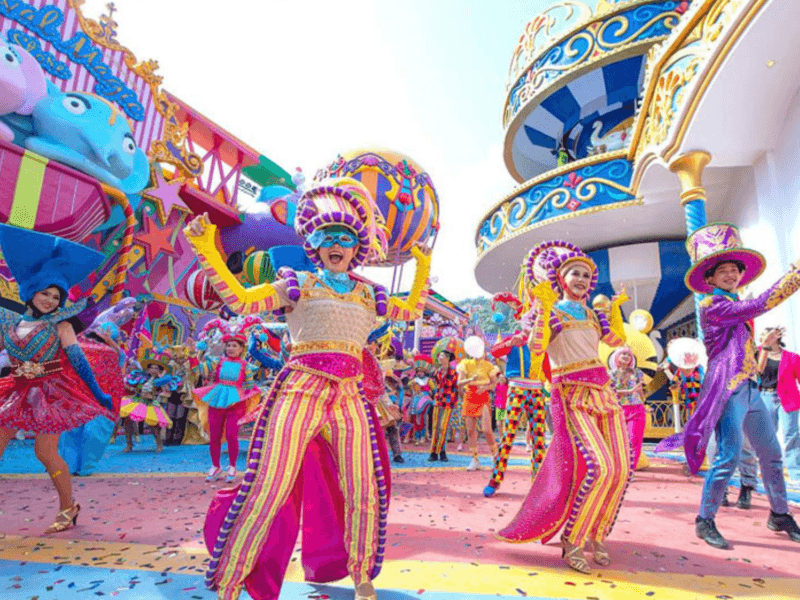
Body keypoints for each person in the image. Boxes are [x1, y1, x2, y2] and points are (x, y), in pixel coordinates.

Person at [184, 177, 430, 600]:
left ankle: (362, 575)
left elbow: (411, 310)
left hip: (350, 396)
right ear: (314, 245)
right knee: (268, 485)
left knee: (362, 488)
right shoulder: (297, 283)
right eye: (327, 236)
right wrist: (207, 250)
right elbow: (241, 301)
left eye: (347, 238)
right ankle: (229, 579)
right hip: (300, 389)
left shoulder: (370, 295)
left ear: (357, 249)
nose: (337, 243)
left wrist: (423, 266)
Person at [656, 223, 800, 548]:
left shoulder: (733, 304)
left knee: (771, 453)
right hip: (728, 390)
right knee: (729, 456)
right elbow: (758, 304)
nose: (732, 274)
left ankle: (778, 512)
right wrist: (794, 276)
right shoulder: (713, 306)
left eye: (735, 269)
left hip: (750, 388)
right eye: (724, 271)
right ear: (710, 279)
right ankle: (704, 520)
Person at [497, 240, 631, 575]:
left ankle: (597, 534)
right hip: (571, 395)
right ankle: (572, 538)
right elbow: (538, 346)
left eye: (587, 274)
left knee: (621, 469)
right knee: (599, 467)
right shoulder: (552, 312)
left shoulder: (591, 313)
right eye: (575, 273)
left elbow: (616, 341)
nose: (582, 279)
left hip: (604, 392)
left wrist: (615, 310)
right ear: (561, 277)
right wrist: (542, 308)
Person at [0, 225, 112, 533]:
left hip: (49, 391)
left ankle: (68, 507)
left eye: (55, 296)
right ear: (31, 291)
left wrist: (97, 392)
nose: (49, 300)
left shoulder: (60, 325)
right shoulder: (10, 324)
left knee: (45, 452)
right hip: (14, 390)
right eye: (45, 292)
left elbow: (78, 361)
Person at [194, 320, 261, 483]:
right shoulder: (217, 362)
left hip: (235, 403)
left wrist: (248, 391)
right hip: (216, 399)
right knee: (214, 435)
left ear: (241, 349)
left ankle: (232, 466)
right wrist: (199, 354)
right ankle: (215, 466)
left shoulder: (246, 366)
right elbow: (200, 369)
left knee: (232, 436)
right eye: (229, 345)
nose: (231, 348)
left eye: (235, 346)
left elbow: (250, 385)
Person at [758, 326, 800, 483]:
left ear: (776, 337)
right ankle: (768, 471)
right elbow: (757, 371)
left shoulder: (793, 357)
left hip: (788, 398)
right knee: (767, 436)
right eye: (762, 337)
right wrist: (764, 348)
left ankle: (796, 474)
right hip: (766, 397)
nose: (762, 339)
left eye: (765, 335)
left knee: (791, 435)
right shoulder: (760, 354)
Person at [457, 336, 499, 471]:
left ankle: (495, 457)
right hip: (470, 395)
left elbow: (494, 383)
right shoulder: (465, 363)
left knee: (486, 429)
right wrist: (471, 379)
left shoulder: (489, 365)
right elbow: (459, 382)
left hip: (483, 397)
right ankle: (474, 459)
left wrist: (485, 388)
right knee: (470, 430)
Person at [609, 346, 647, 471]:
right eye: (623, 354)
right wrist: (629, 391)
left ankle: (630, 470)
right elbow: (611, 392)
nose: (626, 356)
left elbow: (640, 390)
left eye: (628, 354)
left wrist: (644, 403)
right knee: (617, 441)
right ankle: (618, 469)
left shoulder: (637, 373)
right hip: (617, 410)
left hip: (636, 409)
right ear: (617, 357)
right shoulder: (610, 374)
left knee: (634, 441)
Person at [428, 338, 461, 462]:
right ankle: (433, 452)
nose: (439, 358)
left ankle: (441, 451)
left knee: (443, 427)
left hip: (449, 403)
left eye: (441, 356)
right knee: (436, 427)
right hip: (438, 402)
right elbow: (436, 385)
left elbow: (456, 387)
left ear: (447, 358)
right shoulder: (437, 372)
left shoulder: (454, 373)